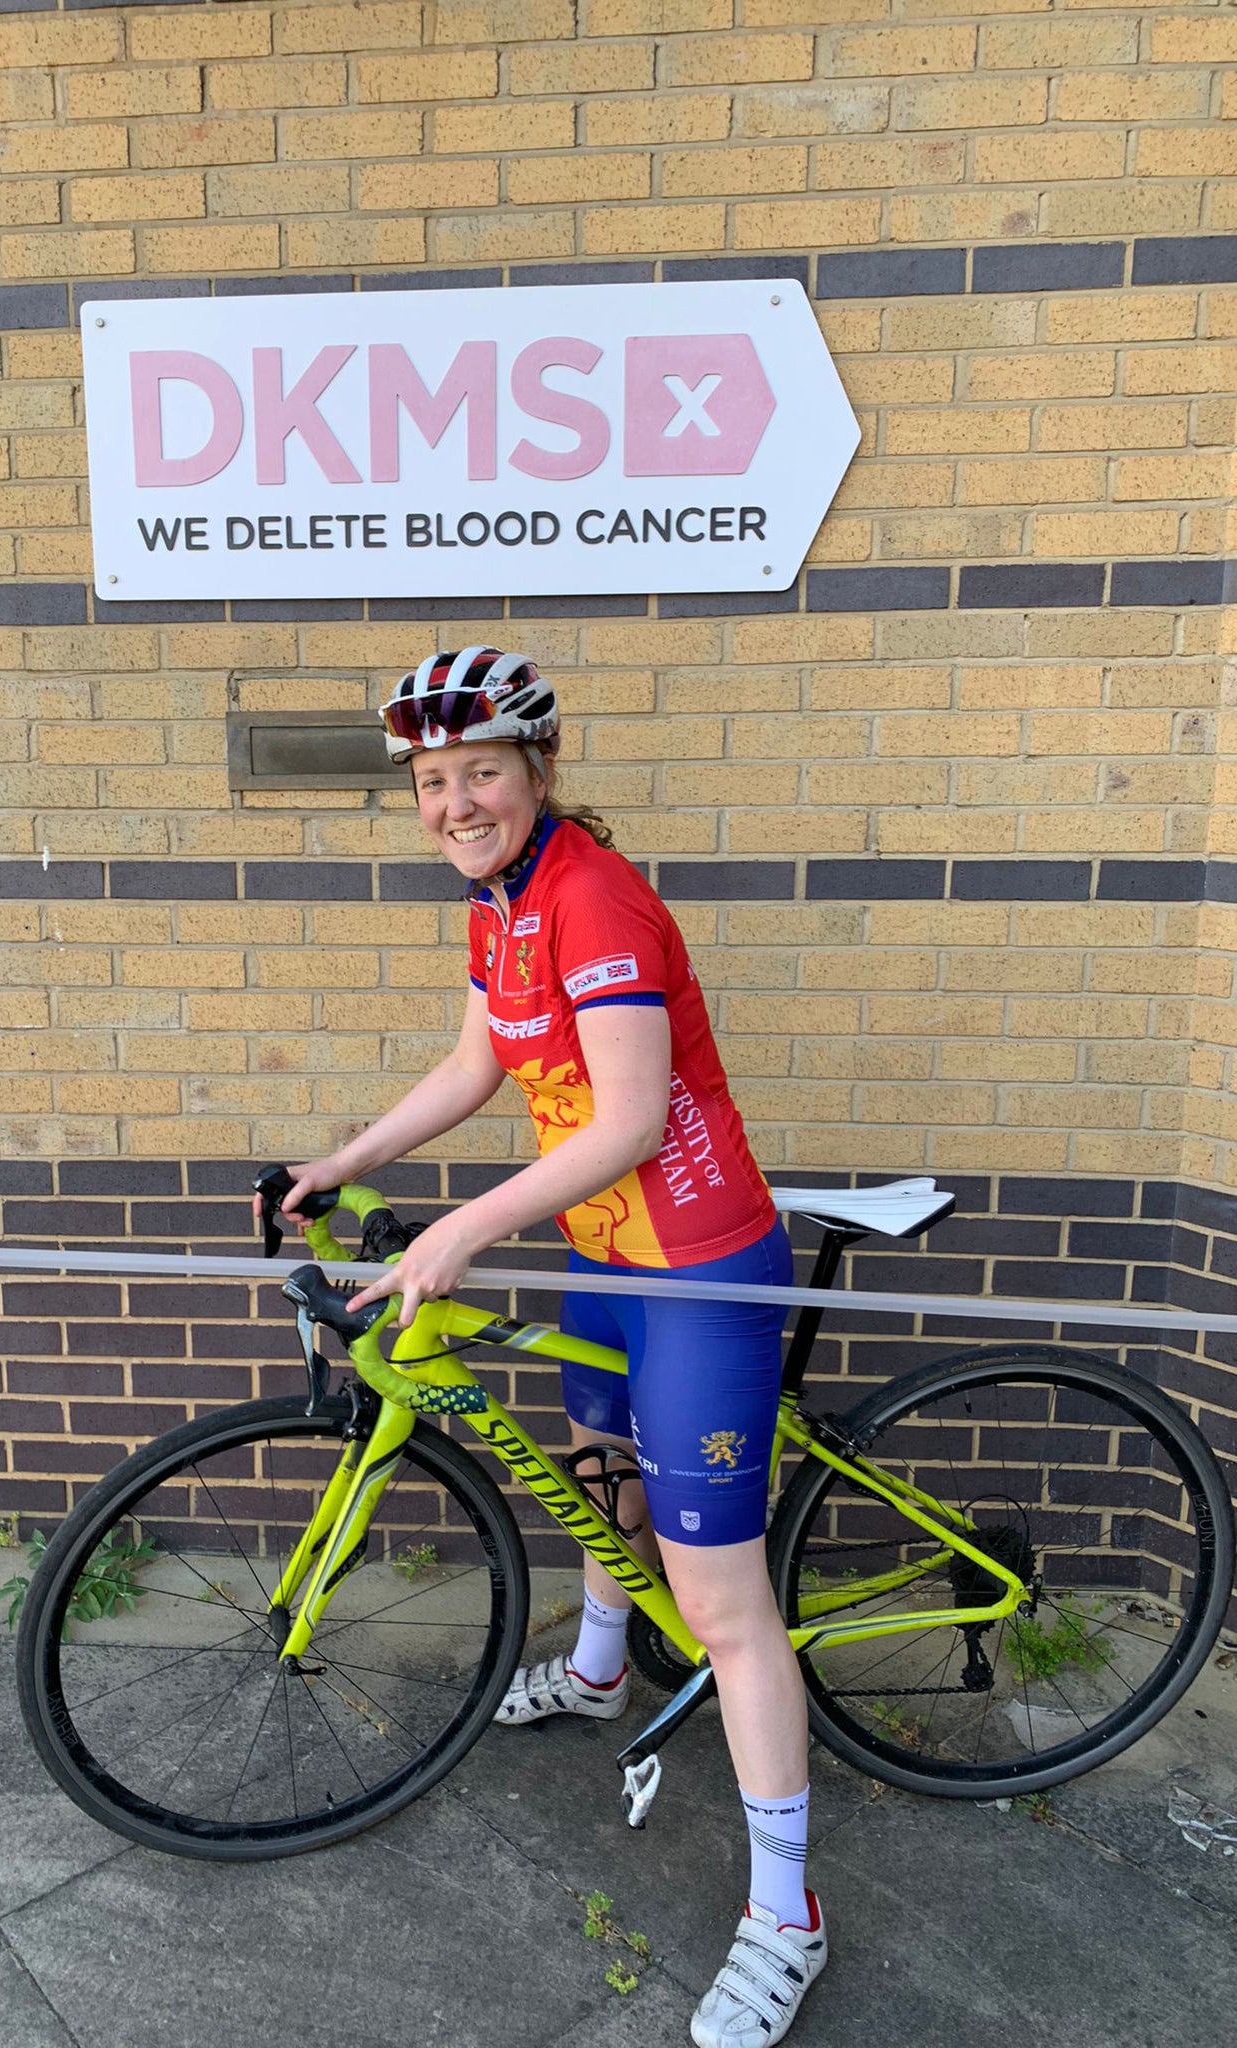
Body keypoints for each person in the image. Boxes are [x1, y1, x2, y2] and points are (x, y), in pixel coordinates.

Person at [273, 648, 822, 2048]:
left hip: (700, 1274)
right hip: (606, 1259)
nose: (454, 801)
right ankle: (594, 1672)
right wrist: (348, 1157)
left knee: (722, 1606)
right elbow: (479, 1065)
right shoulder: (500, 902)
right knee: (596, 1475)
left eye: (480, 773)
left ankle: (786, 1915)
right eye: (431, 780)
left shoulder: (594, 897)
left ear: (539, 771)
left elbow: (629, 1118)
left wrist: (459, 1229)